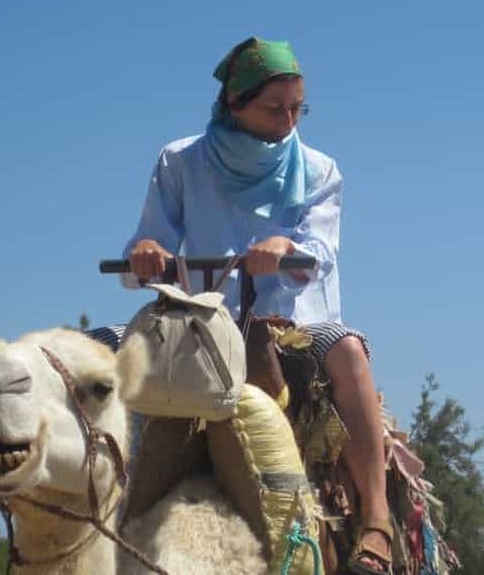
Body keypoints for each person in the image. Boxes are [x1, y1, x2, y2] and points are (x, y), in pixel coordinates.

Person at [122, 36, 391, 575]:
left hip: (293, 325)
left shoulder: (319, 170)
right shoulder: (180, 161)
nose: (289, 120)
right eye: (275, 108)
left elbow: (320, 252)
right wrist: (145, 254)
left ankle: (378, 523)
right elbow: (146, 245)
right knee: (93, 358)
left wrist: (286, 249)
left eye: (298, 108)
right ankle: (93, 521)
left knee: (350, 350)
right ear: (233, 104)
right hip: (198, 325)